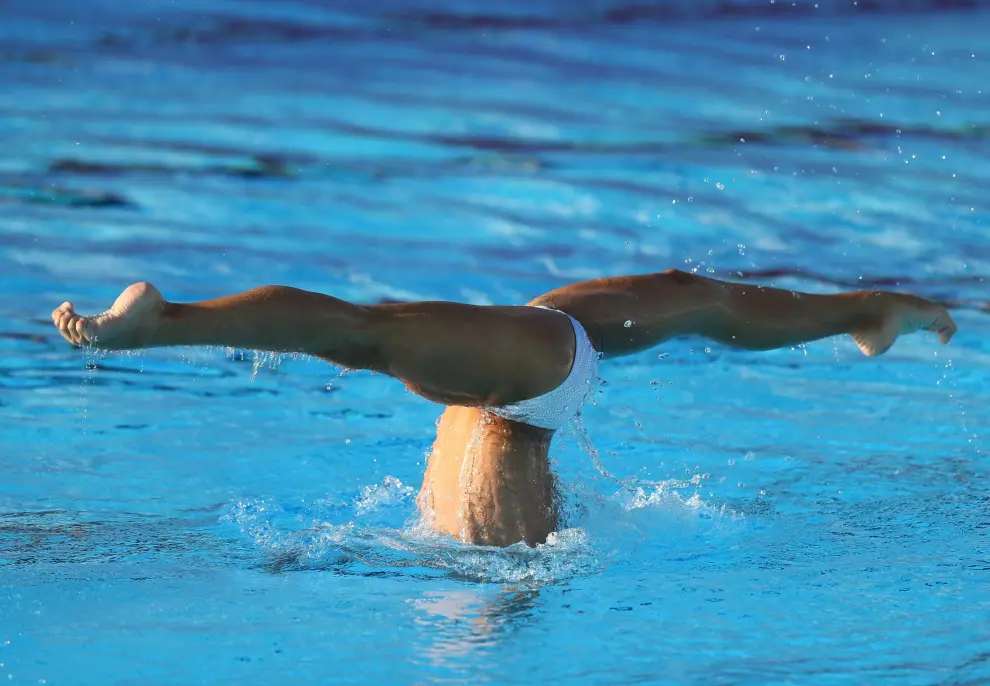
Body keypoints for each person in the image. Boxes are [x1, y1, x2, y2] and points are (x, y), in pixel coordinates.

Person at [52, 270, 956, 547]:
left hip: (535, 379)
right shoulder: (498, 538)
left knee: (371, 333)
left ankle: (160, 328)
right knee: (698, 301)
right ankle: (867, 313)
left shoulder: (470, 531)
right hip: (534, 384)